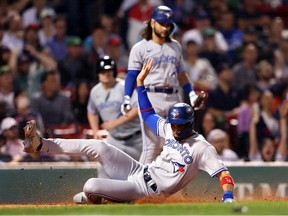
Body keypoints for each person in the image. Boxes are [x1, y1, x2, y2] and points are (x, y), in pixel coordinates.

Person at [22, 59, 235, 205]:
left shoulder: (201, 147)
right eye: (174, 124)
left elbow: (223, 174)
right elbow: (148, 113)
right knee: (99, 146)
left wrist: (227, 195)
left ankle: (98, 197)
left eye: (180, 125)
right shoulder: (169, 128)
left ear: (190, 124)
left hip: (147, 192)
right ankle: (41, 144)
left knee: (90, 184)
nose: (175, 128)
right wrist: (140, 84)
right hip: (139, 171)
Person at [121, 5, 199, 164]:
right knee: (152, 147)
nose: (165, 27)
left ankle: (170, 186)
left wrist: (191, 93)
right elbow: (132, 74)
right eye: (162, 23)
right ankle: (138, 184)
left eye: (168, 24)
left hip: (173, 97)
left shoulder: (175, 46)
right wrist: (127, 98)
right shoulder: (140, 47)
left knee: (177, 145)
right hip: (151, 97)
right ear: (152, 23)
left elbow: (182, 73)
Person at [87, 56, 142, 176]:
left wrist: (114, 123)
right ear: (98, 73)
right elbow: (91, 111)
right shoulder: (95, 91)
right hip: (114, 139)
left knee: (140, 175)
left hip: (136, 139)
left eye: (109, 71)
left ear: (114, 71)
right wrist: (95, 131)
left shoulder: (123, 86)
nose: (106, 74)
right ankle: (102, 194)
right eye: (103, 71)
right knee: (103, 170)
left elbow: (137, 108)